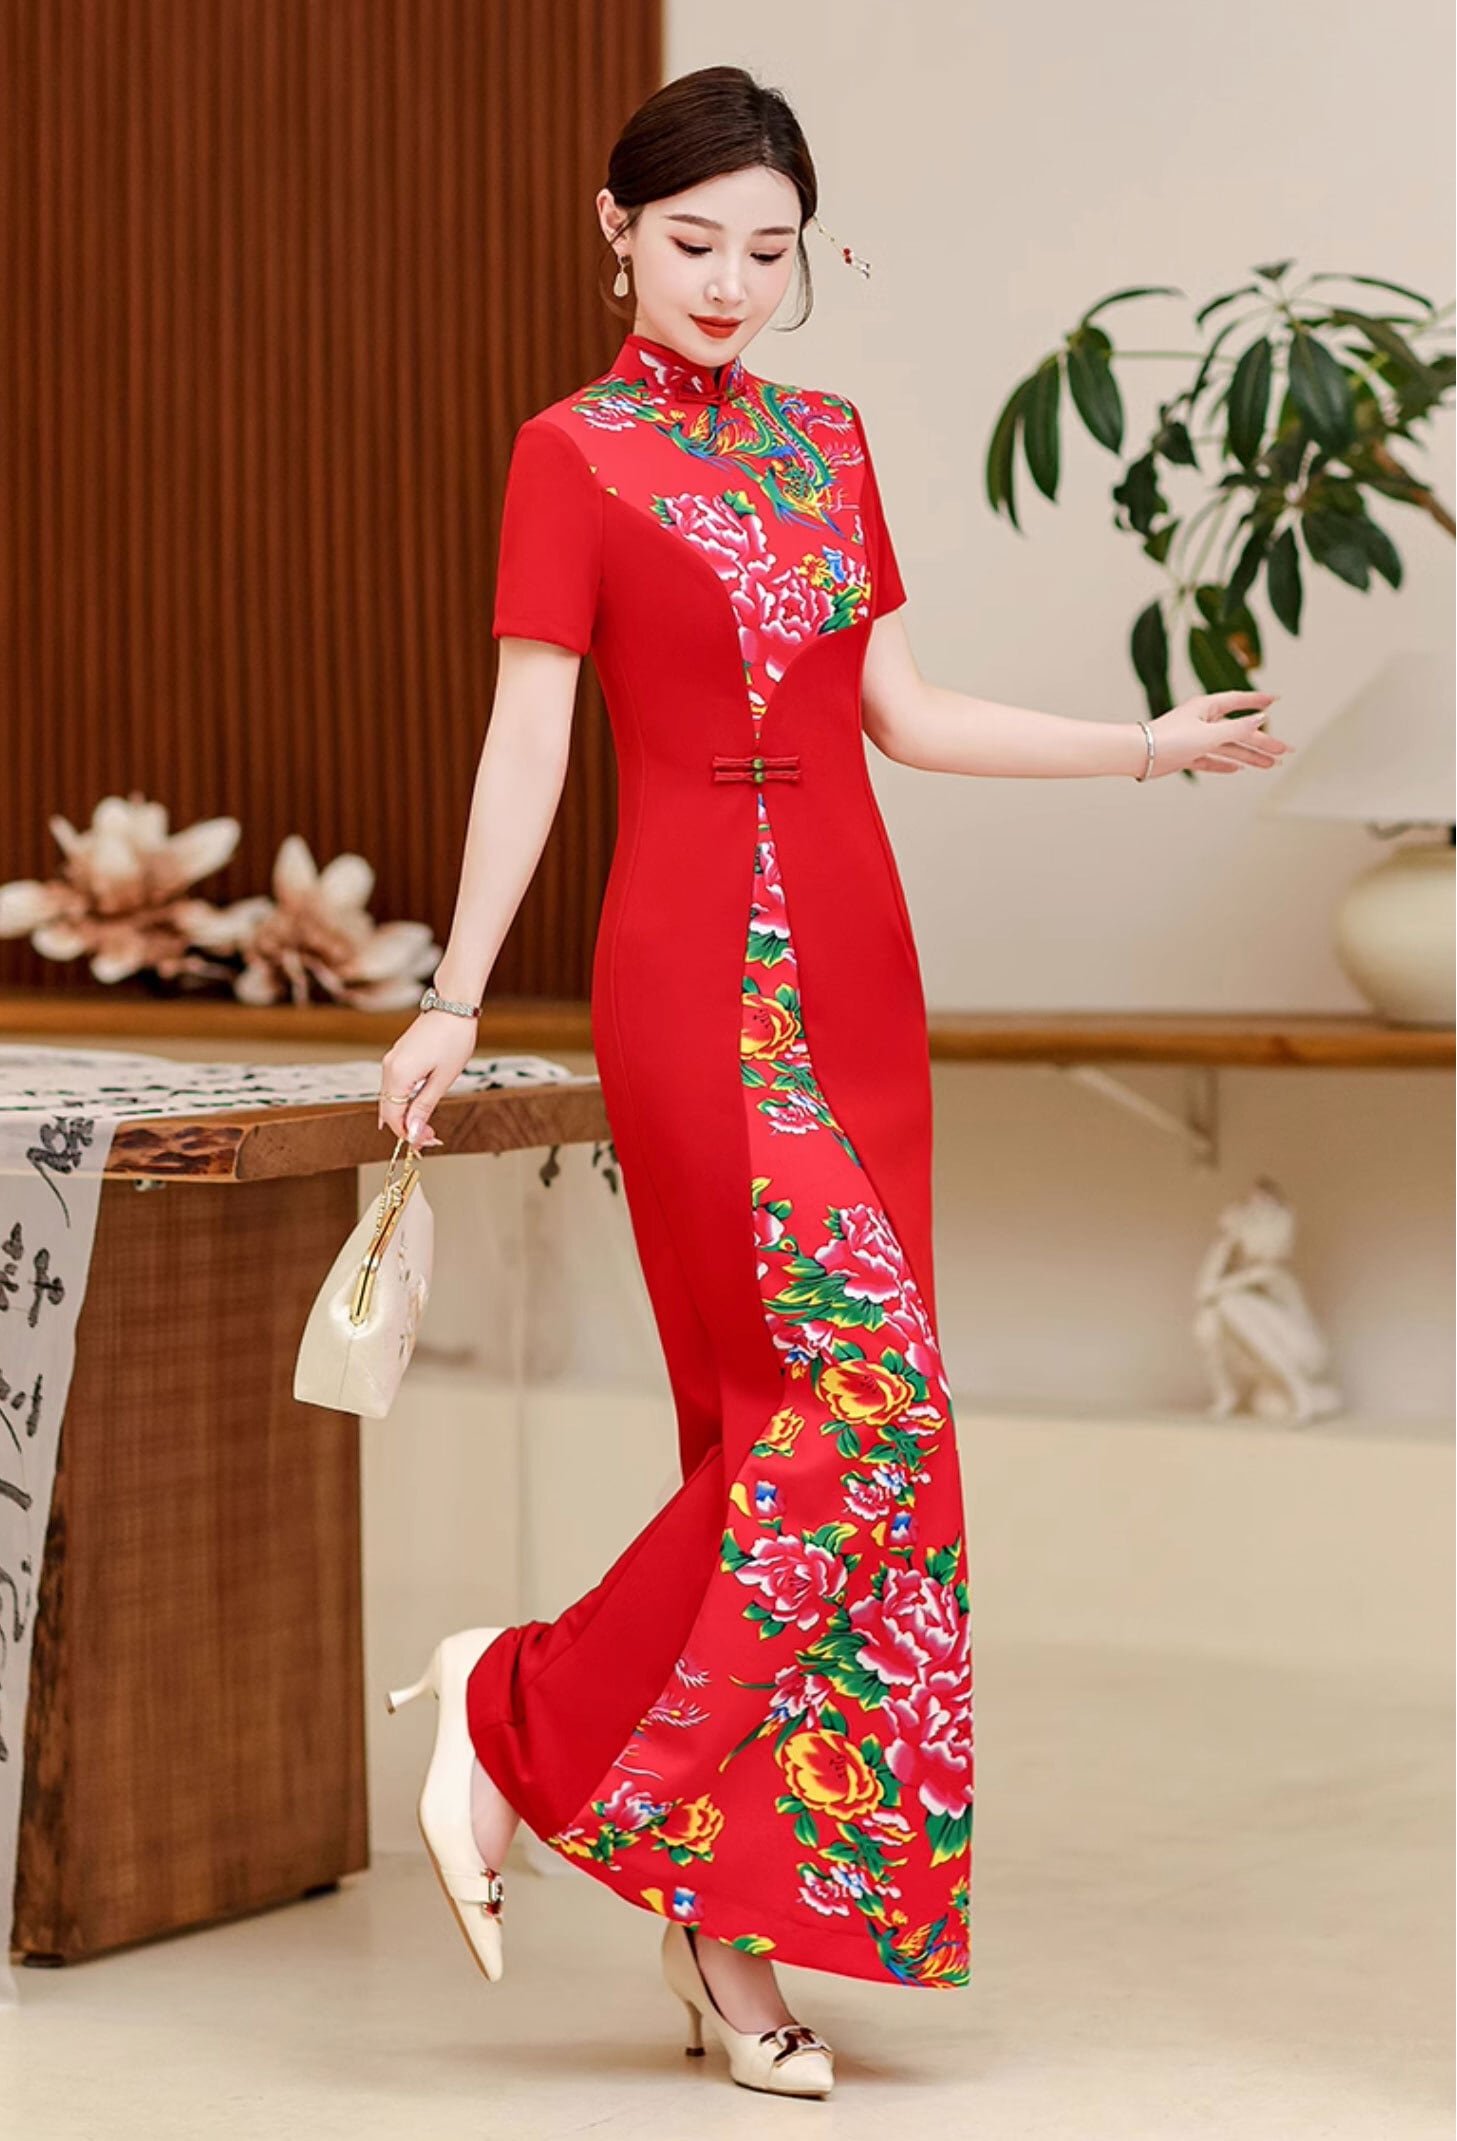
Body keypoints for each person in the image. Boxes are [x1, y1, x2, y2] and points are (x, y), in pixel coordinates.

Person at [376, 64, 1291, 2100]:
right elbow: (529, 739)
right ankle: (519, 1705)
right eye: (692, 240)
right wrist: (455, 993)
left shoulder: (831, 443)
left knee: (823, 1449)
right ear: (616, 232)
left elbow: (902, 711)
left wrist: (1151, 747)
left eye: (768, 248)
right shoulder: (569, 455)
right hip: (689, 972)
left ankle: (726, 1927)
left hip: (860, 975)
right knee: (840, 1417)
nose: (729, 281)